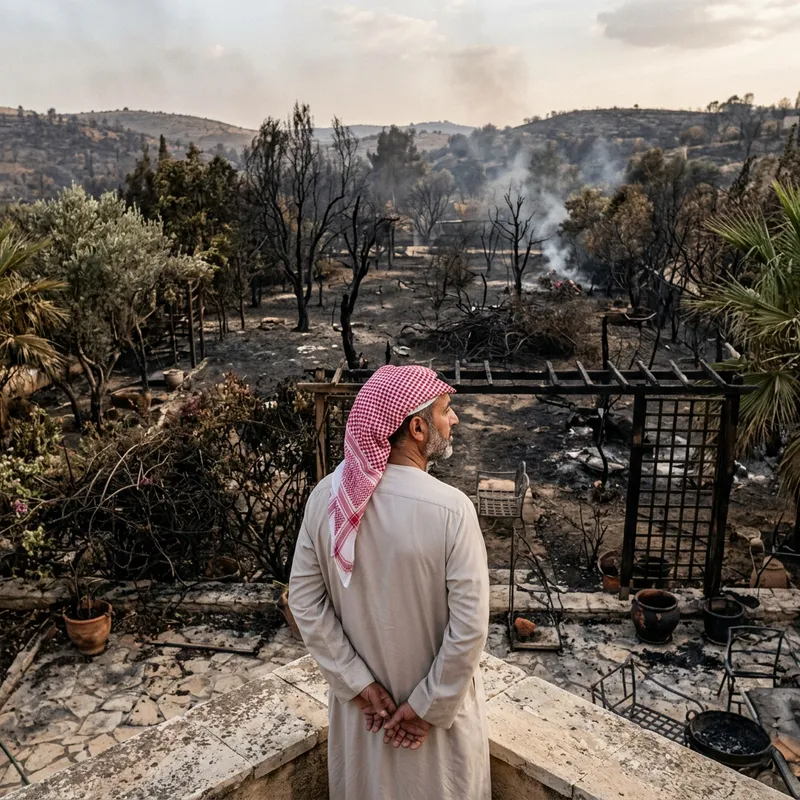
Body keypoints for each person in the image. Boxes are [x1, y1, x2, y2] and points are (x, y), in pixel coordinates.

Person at [289, 364, 490, 799]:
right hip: (437, 740)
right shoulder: (452, 510)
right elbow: (470, 628)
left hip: (366, 726)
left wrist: (357, 683)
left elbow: (304, 602)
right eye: (445, 411)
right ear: (417, 428)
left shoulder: (327, 498)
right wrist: (426, 708)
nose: (452, 419)